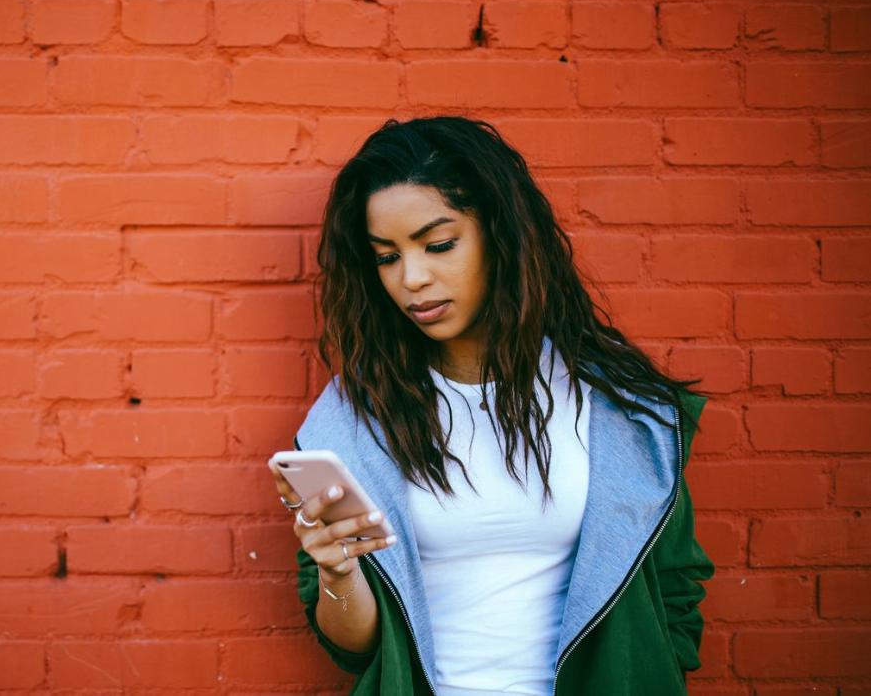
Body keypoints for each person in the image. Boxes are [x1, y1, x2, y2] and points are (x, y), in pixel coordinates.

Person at [270, 116, 715, 695]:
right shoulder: (355, 424)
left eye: (439, 245)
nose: (412, 278)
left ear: (501, 235)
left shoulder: (620, 412)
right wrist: (337, 568)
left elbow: (676, 591)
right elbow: (353, 649)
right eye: (386, 257)